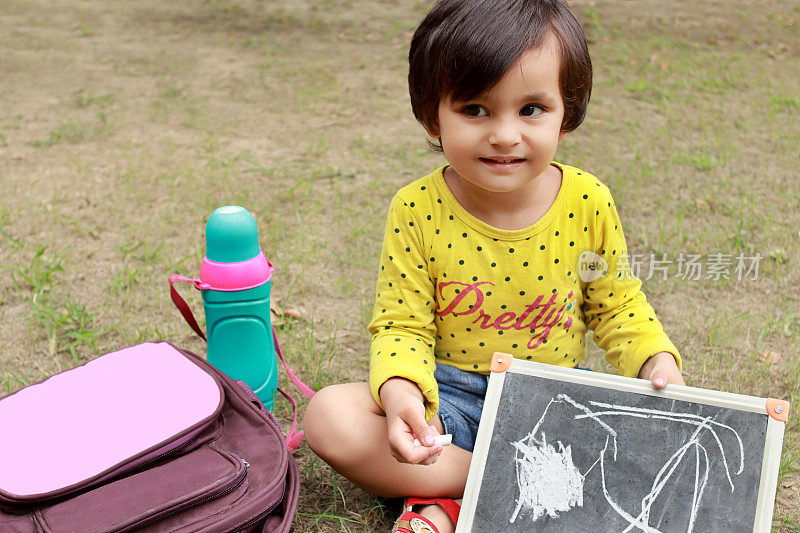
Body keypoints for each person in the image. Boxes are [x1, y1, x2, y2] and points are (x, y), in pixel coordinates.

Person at [303, 1, 685, 531]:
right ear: (430, 113)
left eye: (531, 110)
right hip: (451, 402)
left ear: (565, 112)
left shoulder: (588, 201)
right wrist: (402, 396)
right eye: (476, 110)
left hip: (556, 403)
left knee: (647, 446)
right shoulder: (416, 209)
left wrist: (653, 361)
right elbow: (401, 326)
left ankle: (452, 503)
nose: (505, 134)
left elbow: (618, 304)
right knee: (330, 418)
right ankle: (523, 487)